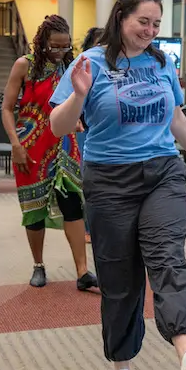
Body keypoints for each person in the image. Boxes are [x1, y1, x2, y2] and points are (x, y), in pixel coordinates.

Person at [50, 0, 186, 370]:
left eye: (156, 24)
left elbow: (175, 116)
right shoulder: (90, 63)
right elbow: (59, 126)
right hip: (109, 179)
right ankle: (121, 364)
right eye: (142, 22)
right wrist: (78, 96)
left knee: (168, 257)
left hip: (162, 172)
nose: (150, 31)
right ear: (121, 18)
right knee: (120, 277)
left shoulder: (161, 62)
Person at [2, 15, 97, 291]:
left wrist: (78, 119)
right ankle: (38, 265)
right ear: (42, 41)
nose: (60, 51)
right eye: (54, 46)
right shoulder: (24, 65)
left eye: (65, 46)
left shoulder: (72, 66)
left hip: (65, 145)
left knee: (73, 205)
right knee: (34, 210)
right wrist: (15, 145)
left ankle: (82, 271)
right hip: (30, 146)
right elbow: (6, 108)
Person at [78, 26, 104, 244]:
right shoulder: (81, 67)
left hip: (104, 133)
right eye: (99, 43)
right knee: (87, 179)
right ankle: (87, 227)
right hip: (83, 130)